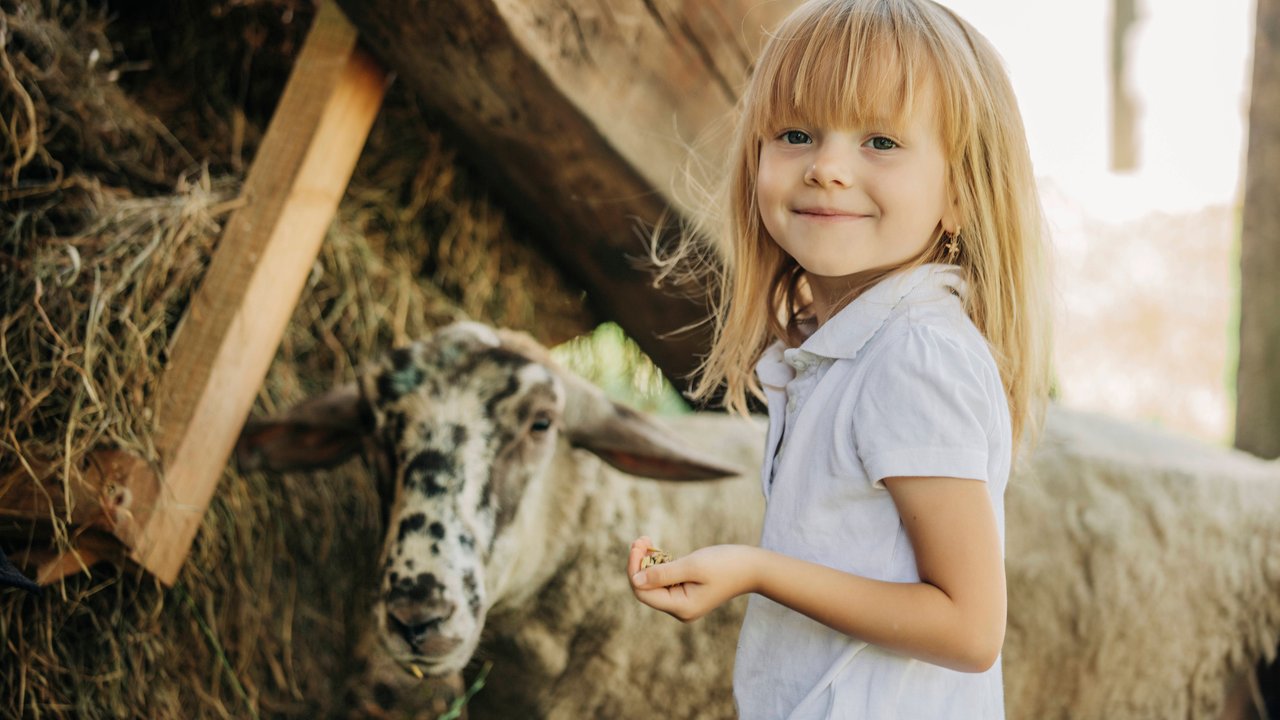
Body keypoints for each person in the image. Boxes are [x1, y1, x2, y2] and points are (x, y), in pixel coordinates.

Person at [626, 0, 1052, 717]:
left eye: (880, 142)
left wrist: (757, 570)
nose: (826, 167)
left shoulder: (914, 357)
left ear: (960, 194)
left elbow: (969, 627)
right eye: (796, 133)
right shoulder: (846, 343)